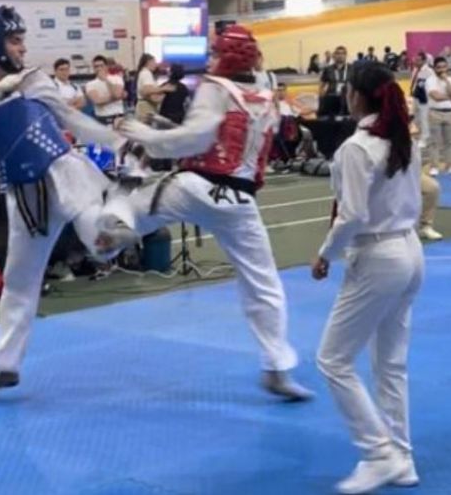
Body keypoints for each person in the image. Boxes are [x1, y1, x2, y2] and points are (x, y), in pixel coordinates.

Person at [98, 25, 313, 402]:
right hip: (240, 203)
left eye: (216, 53)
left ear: (228, 57)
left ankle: (104, 244)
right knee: (264, 284)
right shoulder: (264, 95)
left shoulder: (214, 87)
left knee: (125, 211)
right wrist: (171, 130)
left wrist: (143, 134)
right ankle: (277, 365)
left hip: (195, 188)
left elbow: (196, 140)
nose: (210, 59)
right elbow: (221, 135)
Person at [0, 6, 139, 396]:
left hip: (63, 173)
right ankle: (4, 366)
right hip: (22, 193)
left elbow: (73, 120)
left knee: (103, 245)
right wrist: (1, 92)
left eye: (21, 40)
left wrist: (120, 142)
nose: (22, 48)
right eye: (15, 40)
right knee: (18, 283)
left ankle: (139, 199)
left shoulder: (36, 79)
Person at [311, 63, 424, 495]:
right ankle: (402, 457)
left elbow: (352, 214)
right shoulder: (400, 138)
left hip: (380, 255)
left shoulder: (358, 148)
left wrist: (325, 253)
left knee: (333, 360)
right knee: (390, 363)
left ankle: (379, 454)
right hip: (410, 251)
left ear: (357, 95)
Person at [425, 56, 451, 176]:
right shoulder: (430, 81)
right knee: (434, 142)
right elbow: (435, 96)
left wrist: (446, 81)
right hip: (435, 112)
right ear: (434, 68)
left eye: (444, 67)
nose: (442, 70)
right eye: (439, 67)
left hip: (450, 112)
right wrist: (450, 97)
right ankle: (434, 166)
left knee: (450, 142)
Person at [85, 55, 127, 125]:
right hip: (103, 118)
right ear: (93, 68)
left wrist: (106, 80)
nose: (99, 68)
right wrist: (117, 97)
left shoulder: (117, 79)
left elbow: (116, 94)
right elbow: (97, 101)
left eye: (101, 66)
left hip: (118, 117)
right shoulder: (90, 84)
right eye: (96, 67)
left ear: (106, 66)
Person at [134, 53, 171, 122]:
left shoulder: (145, 73)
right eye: (154, 62)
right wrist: (164, 89)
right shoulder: (146, 73)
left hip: (145, 107)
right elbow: (147, 91)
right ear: (148, 62)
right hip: (146, 108)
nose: (155, 65)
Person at [408, 52, 432, 142]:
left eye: (418, 60)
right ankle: (421, 134)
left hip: (424, 98)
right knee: (415, 118)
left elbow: (430, 85)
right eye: (415, 59)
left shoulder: (429, 71)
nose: (416, 62)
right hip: (414, 96)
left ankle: (425, 138)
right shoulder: (415, 70)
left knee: (424, 118)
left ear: (424, 61)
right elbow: (413, 83)